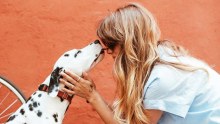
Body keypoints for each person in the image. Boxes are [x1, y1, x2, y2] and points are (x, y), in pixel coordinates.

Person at [59, 3, 220, 124]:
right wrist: (92, 94)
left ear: (128, 42)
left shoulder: (163, 78)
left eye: (111, 43)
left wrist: (92, 96)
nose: (107, 51)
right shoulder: (155, 61)